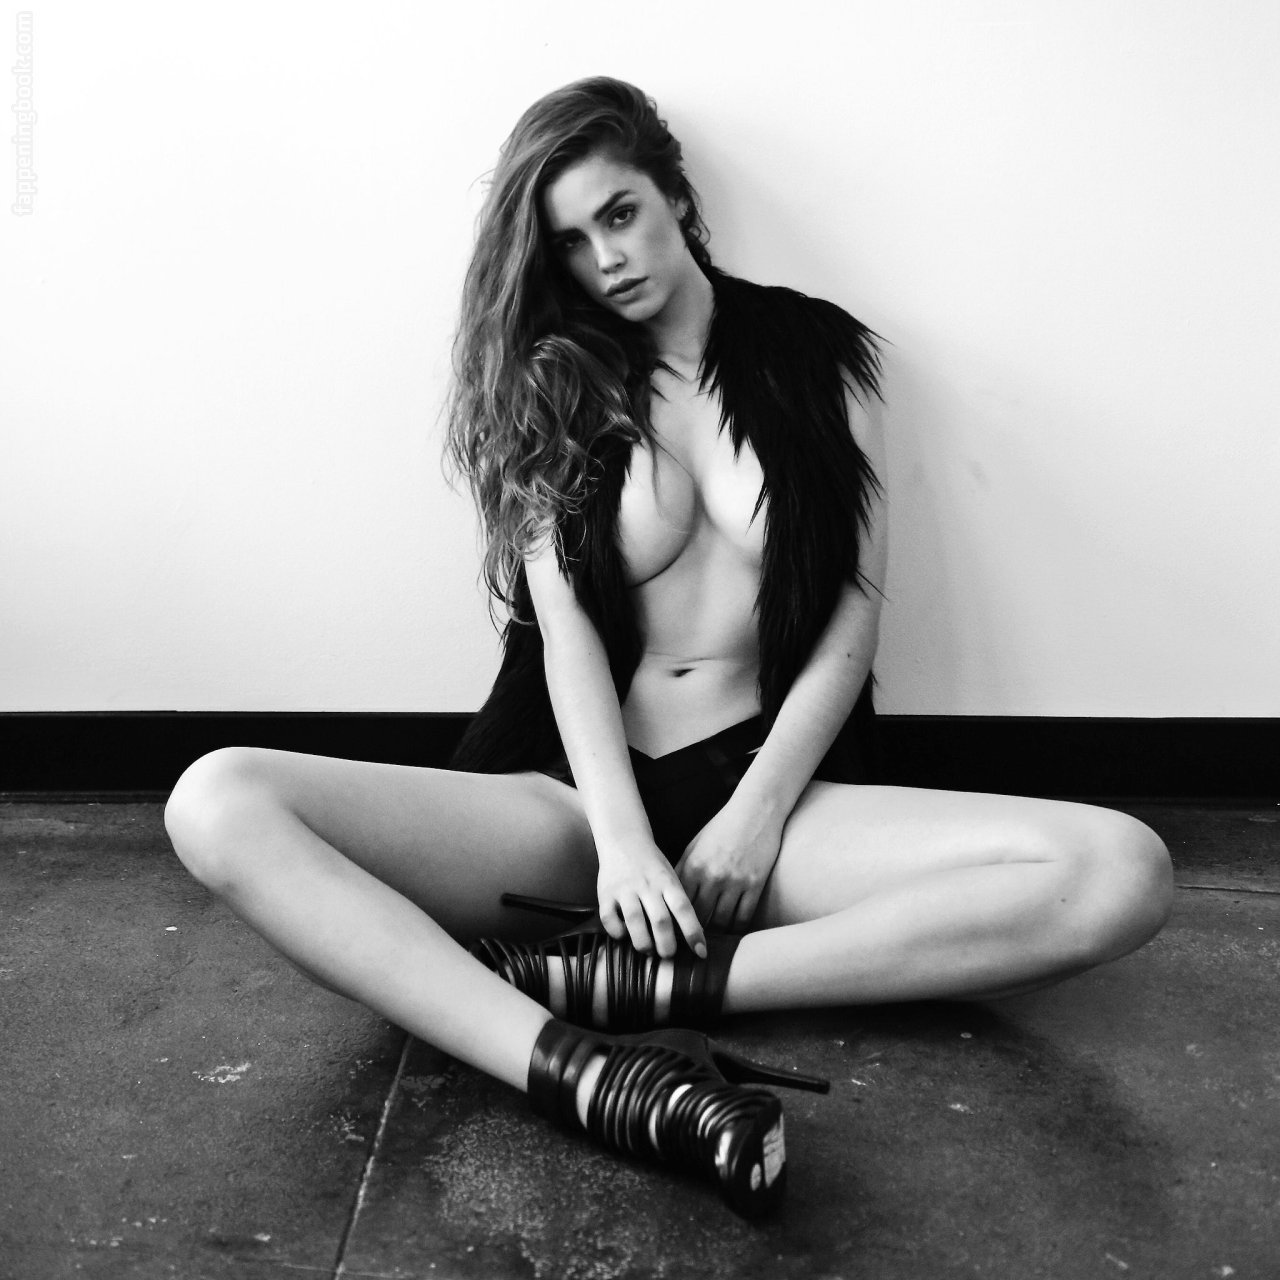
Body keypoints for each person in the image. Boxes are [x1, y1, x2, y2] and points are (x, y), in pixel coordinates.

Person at [164, 77, 1174, 1218]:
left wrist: (755, 814)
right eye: (571, 241)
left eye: (620, 213)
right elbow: (566, 644)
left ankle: (643, 986)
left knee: (1120, 869)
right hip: (570, 802)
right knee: (216, 799)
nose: (607, 259)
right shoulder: (548, 380)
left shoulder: (819, 354)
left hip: (768, 792)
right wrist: (623, 845)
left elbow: (852, 612)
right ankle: (584, 1073)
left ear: (673, 196)